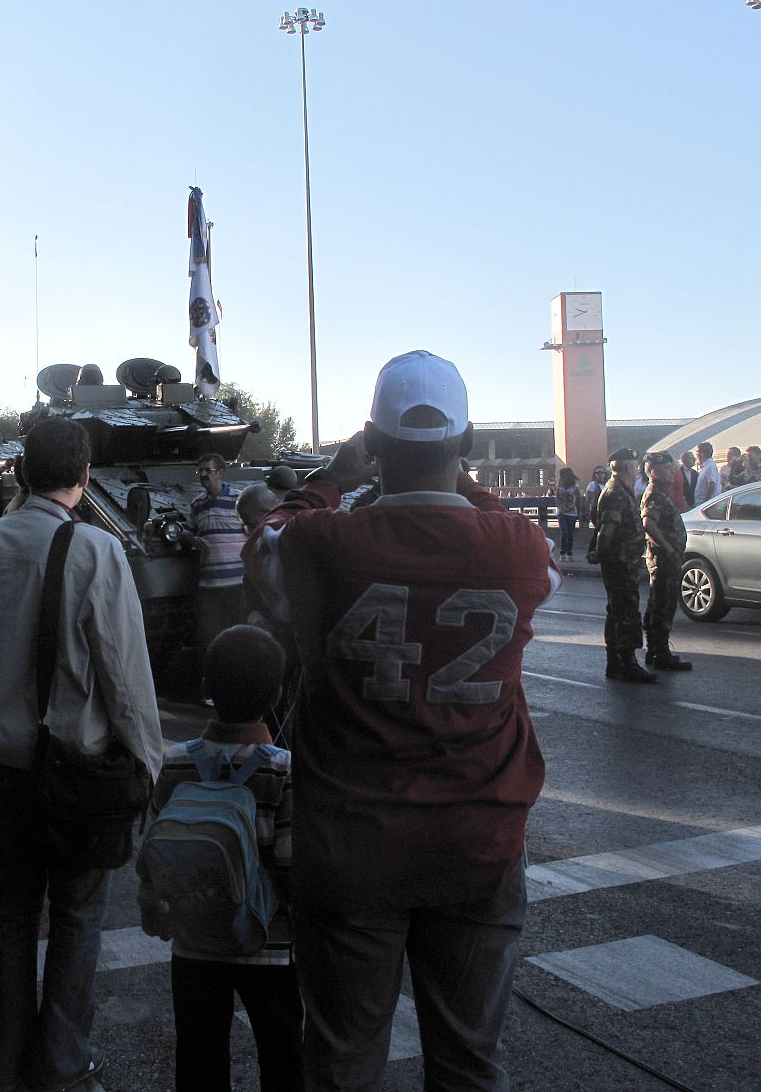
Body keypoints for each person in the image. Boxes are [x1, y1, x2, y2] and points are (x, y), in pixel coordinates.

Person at [244, 350, 559, 1092]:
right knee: (470, 1060)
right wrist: (460, 474)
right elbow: (510, 531)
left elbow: (269, 538)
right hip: (479, 837)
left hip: (351, 843)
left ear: (374, 445)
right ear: (468, 442)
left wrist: (334, 478)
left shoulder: (325, 545)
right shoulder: (518, 547)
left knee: (343, 1059)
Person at [0, 416, 165, 1092]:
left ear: (19, 472)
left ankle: (5, 1068)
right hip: (77, 770)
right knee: (76, 914)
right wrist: (148, 760)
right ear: (86, 476)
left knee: (11, 913)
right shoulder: (97, 550)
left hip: (2, 769)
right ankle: (62, 1061)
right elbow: (125, 675)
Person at [138, 625, 302, 1092]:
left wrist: (156, 906)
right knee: (283, 1052)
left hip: (195, 942)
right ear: (275, 691)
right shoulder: (280, 770)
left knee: (199, 1052)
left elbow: (154, 844)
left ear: (206, 687)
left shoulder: (178, 762)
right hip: (268, 944)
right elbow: (289, 861)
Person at [594, 448, 659, 685]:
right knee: (626, 612)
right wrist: (601, 554)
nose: (639, 468)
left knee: (617, 612)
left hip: (623, 560)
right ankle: (628, 662)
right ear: (629, 467)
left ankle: (616, 662)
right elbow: (607, 529)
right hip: (620, 563)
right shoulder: (616, 492)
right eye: (635, 464)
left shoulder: (620, 490)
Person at [640, 451, 693, 673]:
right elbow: (648, 523)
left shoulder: (661, 493)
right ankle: (660, 652)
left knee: (659, 604)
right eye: (668, 469)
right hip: (663, 559)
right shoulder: (654, 495)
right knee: (663, 605)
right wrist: (669, 548)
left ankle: (655, 650)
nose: (673, 472)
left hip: (666, 558)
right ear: (653, 471)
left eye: (673, 468)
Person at [190, 451, 249, 650]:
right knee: (210, 640)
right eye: (200, 470)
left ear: (221, 473)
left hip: (238, 584)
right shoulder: (197, 505)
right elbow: (191, 533)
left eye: (208, 470)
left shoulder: (239, 500)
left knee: (240, 639)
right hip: (209, 586)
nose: (203, 475)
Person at [554, 467, 582, 560]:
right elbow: (557, 499)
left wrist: (580, 512)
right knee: (564, 532)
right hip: (561, 512)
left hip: (572, 512)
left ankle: (569, 554)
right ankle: (562, 553)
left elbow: (578, 500)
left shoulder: (575, 487)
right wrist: (560, 508)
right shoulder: (558, 486)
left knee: (570, 534)